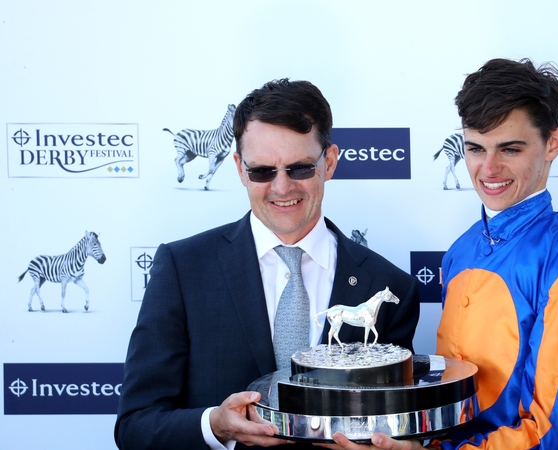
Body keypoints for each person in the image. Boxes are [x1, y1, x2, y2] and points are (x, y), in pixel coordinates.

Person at [328, 58, 558, 450]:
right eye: (475, 148)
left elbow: (555, 435)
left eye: (510, 148)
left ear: (553, 144)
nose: (488, 169)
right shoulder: (460, 251)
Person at [114, 79, 421, 450]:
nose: (281, 187)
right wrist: (215, 425)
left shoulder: (389, 286)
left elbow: (396, 426)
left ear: (330, 162)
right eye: (262, 171)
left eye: (300, 168)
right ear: (240, 169)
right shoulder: (183, 270)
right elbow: (135, 426)